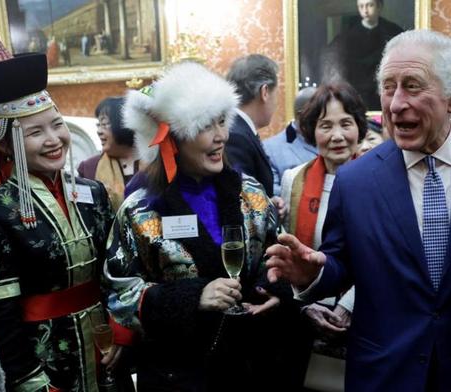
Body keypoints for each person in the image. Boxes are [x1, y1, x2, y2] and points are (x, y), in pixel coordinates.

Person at [265, 29, 451, 392]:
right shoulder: (355, 180)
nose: (394, 104)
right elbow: (340, 262)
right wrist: (311, 274)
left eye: (412, 85)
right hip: (383, 372)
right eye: (388, 87)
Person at [105, 61, 306, 391]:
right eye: (205, 127)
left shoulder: (251, 194)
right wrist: (192, 297)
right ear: (173, 140)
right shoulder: (140, 210)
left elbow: (276, 258)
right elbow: (119, 291)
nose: (222, 137)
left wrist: (273, 290)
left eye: (221, 122)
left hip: (250, 369)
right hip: (177, 375)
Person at [0, 7, 125, 391]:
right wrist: (28, 379)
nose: (54, 139)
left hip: (106, 348)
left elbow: (116, 273)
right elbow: (1, 311)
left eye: (57, 125)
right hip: (46, 363)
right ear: (5, 143)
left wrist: (123, 333)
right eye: (35, 132)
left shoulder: (93, 192)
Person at [280, 82, 367, 388]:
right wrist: (306, 304)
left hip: (366, 314)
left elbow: (383, 256)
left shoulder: (378, 178)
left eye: (346, 123)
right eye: (325, 125)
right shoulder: (294, 180)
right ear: (310, 131)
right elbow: (291, 252)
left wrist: (347, 307)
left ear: (360, 126)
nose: (337, 136)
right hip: (306, 314)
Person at [323, 0, 403, 110]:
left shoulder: (393, 31)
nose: (365, 10)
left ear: (379, 7)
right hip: (358, 91)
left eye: (370, 5)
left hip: (384, 90)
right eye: (361, 6)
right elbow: (336, 62)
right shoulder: (347, 36)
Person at [225, 54, 278, 198]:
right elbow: (243, 200)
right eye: (276, 94)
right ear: (265, 92)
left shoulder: (239, 130)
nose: (276, 103)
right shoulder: (236, 137)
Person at [78, 96, 139, 211]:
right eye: (98, 125)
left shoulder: (154, 165)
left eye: (104, 124)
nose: (99, 131)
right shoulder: (89, 168)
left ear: (124, 124)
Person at [263, 86, 317, 196]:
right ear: (300, 115)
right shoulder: (270, 149)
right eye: (317, 114)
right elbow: (272, 194)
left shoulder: (335, 142)